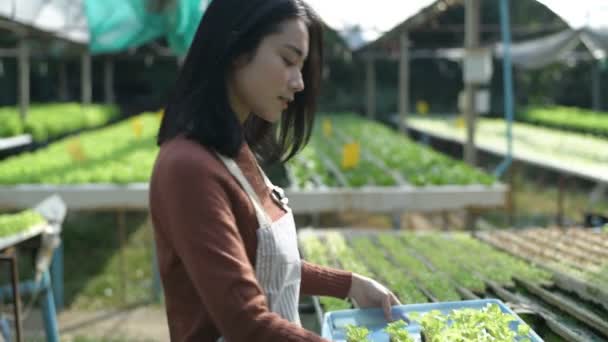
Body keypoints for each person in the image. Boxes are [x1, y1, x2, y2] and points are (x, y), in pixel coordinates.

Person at [149, 0, 400, 340]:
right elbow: (246, 323)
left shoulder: (232, 150)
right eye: (287, 59)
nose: (299, 83)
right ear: (237, 49)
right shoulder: (187, 168)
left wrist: (350, 284)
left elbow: (263, 264)